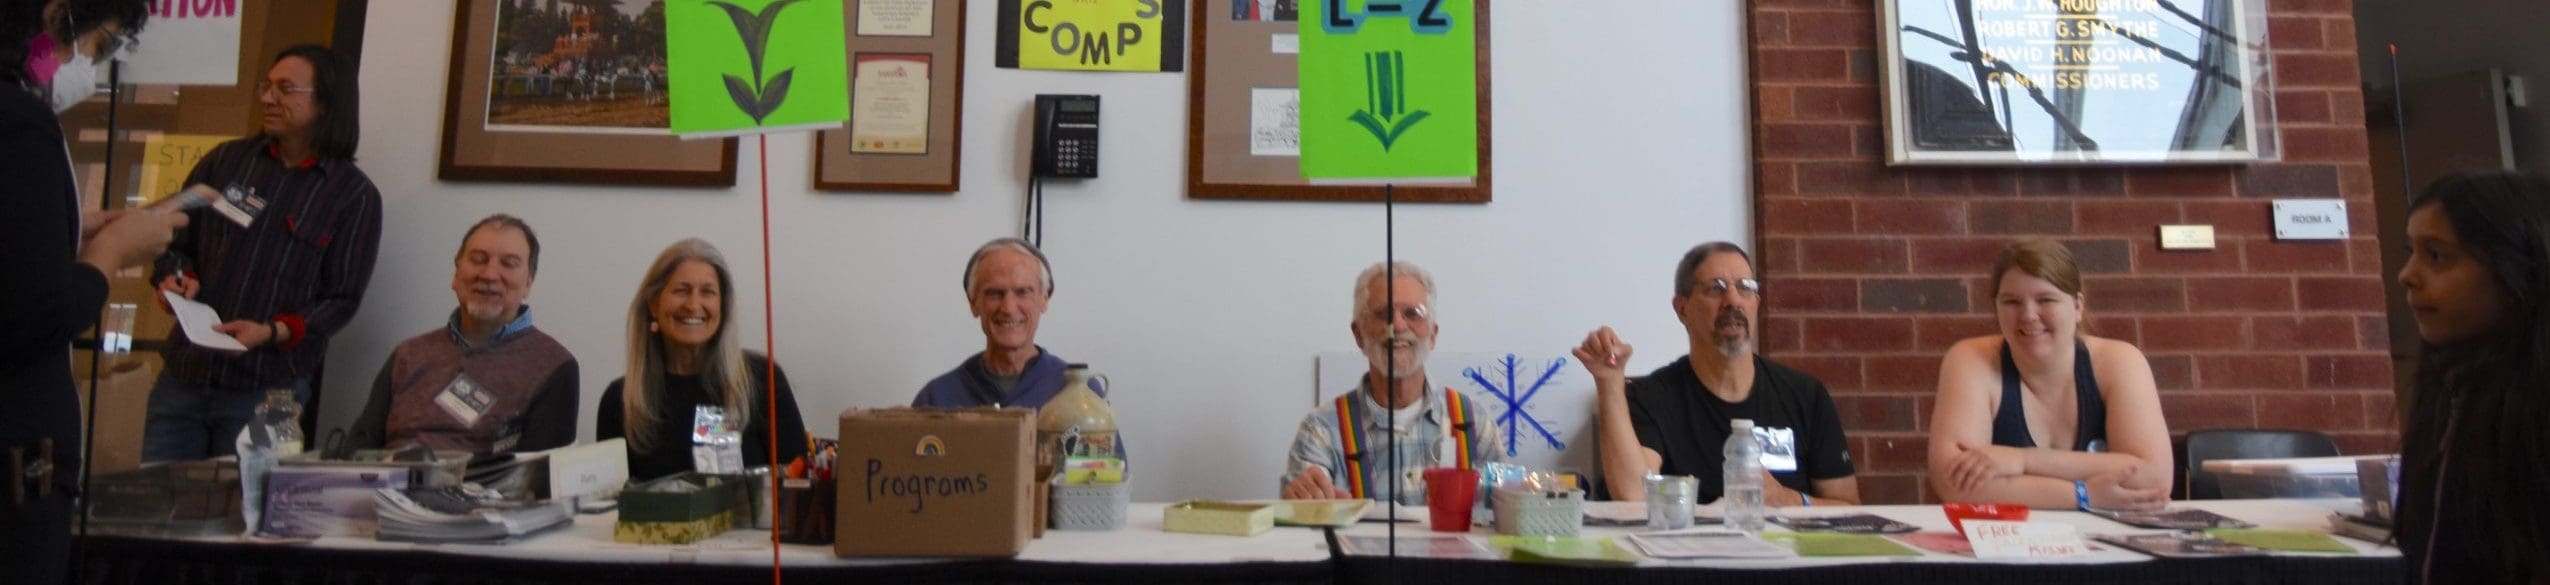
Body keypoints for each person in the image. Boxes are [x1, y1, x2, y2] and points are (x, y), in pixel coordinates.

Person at [3, 1, 179, 580]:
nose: (91, 68)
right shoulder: (21, 123)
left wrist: (69, 233)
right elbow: (39, 314)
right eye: (100, 49)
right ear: (56, 14)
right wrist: (112, 254)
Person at [144, 44, 382, 461]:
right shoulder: (225, 162)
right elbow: (173, 239)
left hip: (271, 390)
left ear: (326, 102)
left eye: (285, 89)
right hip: (184, 378)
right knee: (159, 496)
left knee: (250, 502)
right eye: (266, 86)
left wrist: (272, 331)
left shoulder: (354, 195)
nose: (268, 98)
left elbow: (341, 300)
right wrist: (176, 277)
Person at [1575, 242, 1860, 505]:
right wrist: (1609, 381)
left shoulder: (1805, 395)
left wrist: (1789, 501)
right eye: (1716, 288)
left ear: (1756, 303)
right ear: (1682, 308)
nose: (1733, 300)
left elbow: (1848, 507)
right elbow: (1634, 495)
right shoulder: (1652, 398)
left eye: (1745, 287)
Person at [1925, 239, 2171, 511]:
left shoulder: (2119, 361)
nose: (2029, 315)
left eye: (2046, 300)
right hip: (2009, 535)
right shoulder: (1971, 360)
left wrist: (2021, 460)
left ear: (2077, 307)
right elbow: (1953, 482)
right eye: (2011, 302)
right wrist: (2084, 495)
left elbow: (2154, 476)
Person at [2392, 171, 2550, 584]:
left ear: (2517, 271)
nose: (2407, 274)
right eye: (2411, 252)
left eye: (2436, 256)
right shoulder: (2448, 394)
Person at [346, 215, 577, 454]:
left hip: (482, 478)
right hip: (389, 475)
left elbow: (539, 470)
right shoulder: (407, 355)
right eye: (478, 259)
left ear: (528, 283)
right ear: (456, 275)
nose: (489, 274)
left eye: (508, 264)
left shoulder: (554, 366)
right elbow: (358, 450)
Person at [1281, 261, 1505, 505]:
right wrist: (1302, 503)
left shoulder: (1474, 424)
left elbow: (1506, 517)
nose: (1397, 326)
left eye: (1413, 313)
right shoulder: (1321, 431)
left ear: (1433, 334)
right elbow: (1300, 519)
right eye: (1383, 314)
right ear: (1358, 334)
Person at [599, 238, 809, 481]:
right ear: (653, 304)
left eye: (707, 292)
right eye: (681, 290)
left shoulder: (762, 379)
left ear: (722, 306)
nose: (693, 305)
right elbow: (610, 498)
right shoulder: (621, 400)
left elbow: (799, 479)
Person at [913, 238, 1103, 409]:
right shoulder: (936, 399)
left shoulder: (1081, 395)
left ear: (1044, 299)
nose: (1009, 308)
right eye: (995, 293)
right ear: (973, 302)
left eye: (1022, 292)